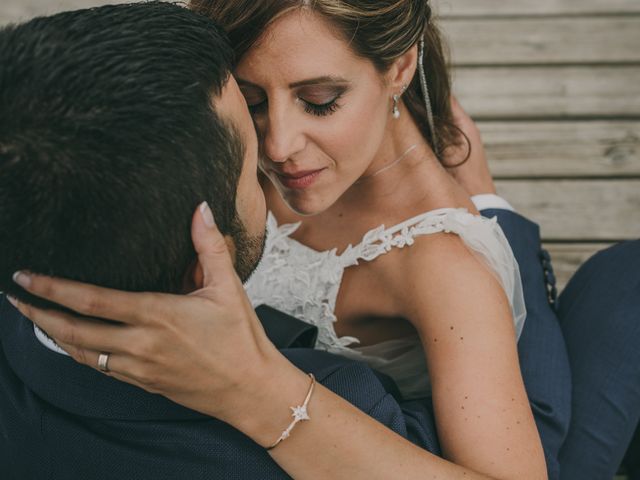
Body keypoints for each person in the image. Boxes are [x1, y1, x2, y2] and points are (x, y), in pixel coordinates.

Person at [5, 1, 570, 479]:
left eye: (320, 99)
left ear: (399, 68)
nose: (277, 146)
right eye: (251, 101)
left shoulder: (443, 268)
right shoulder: (203, 158)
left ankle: (497, 216)